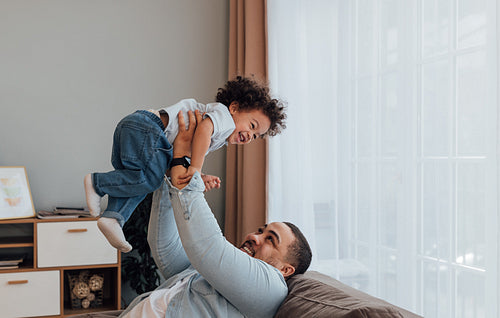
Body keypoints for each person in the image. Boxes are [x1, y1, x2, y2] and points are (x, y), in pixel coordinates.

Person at [119, 110, 311, 318]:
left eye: (270, 240)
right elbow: (165, 249)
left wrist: (185, 161)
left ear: (286, 270)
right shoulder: (210, 273)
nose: (254, 237)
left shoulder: (270, 287)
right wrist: (172, 169)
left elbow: (208, 247)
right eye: (260, 231)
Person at [84, 76, 286, 252]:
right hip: (147, 128)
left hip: (139, 128)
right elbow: (204, 130)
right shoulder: (224, 118)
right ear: (235, 108)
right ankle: (97, 183)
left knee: (139, 182)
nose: (250, 136)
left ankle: (114, 218)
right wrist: (196, 169)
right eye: (252, 126)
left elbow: (187, 152)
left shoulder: (220, 131)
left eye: (256, 136)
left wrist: (199, 172)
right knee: (149, 179)